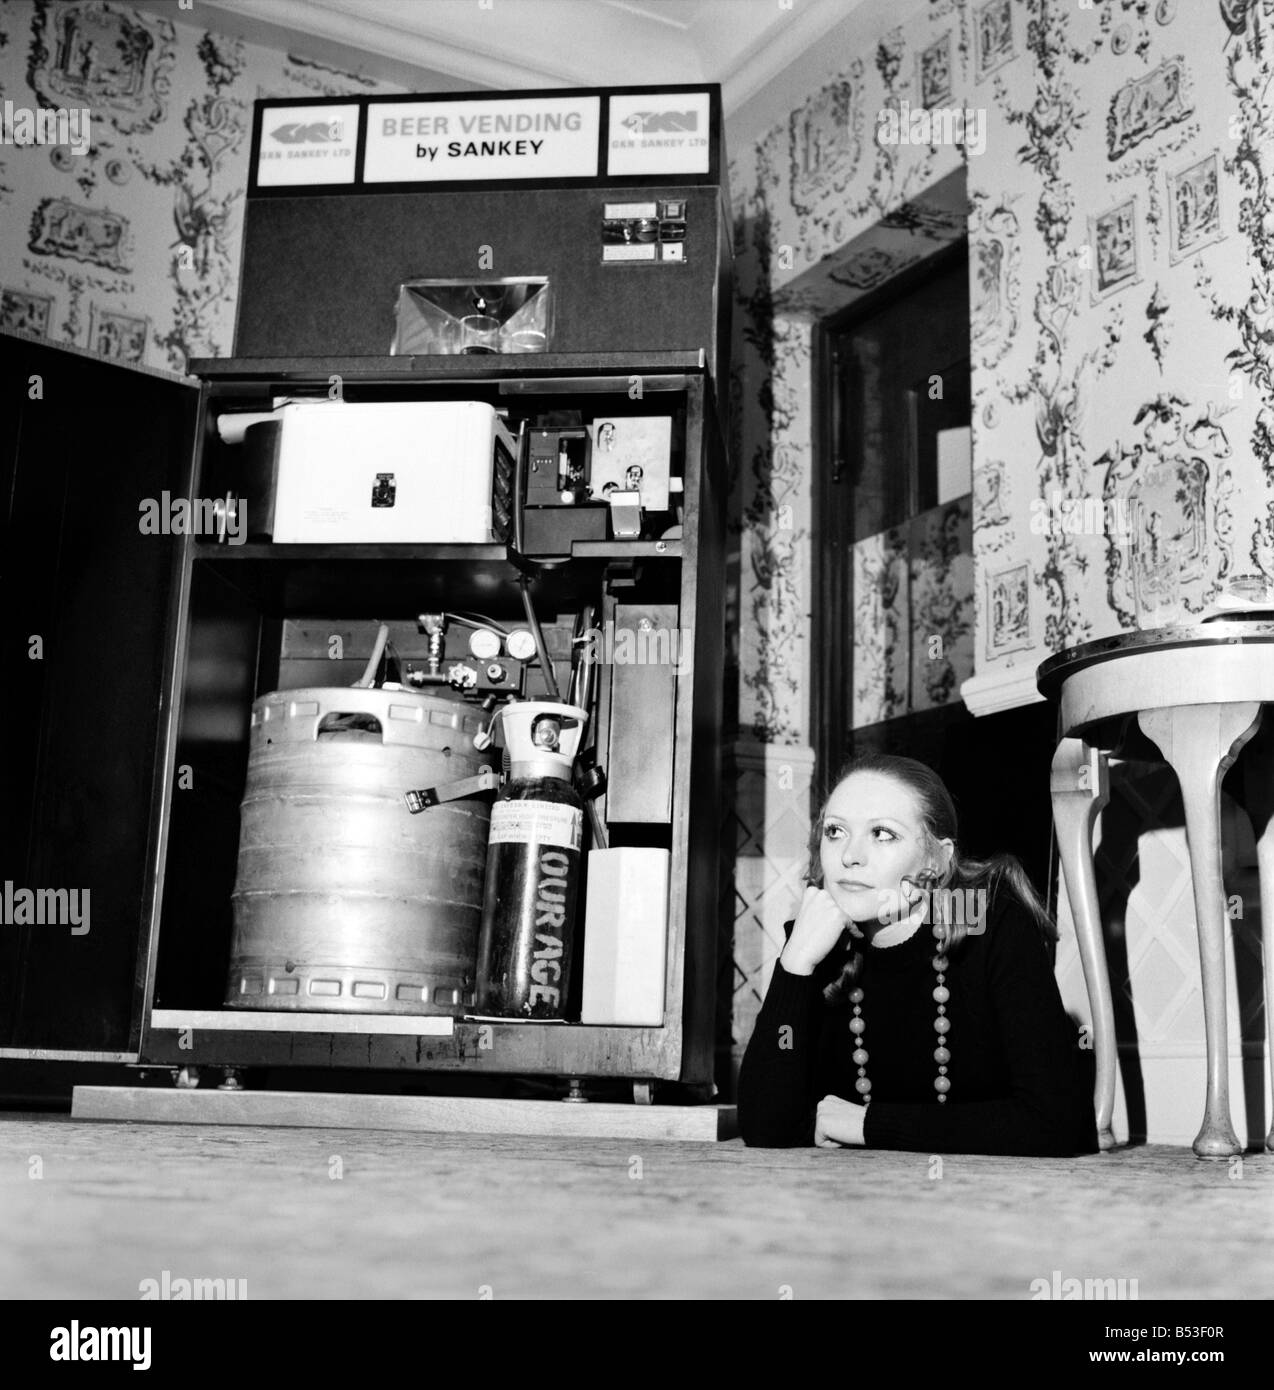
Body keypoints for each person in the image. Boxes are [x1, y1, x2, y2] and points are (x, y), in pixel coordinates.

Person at [738, 754, 1098, 1156]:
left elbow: (1057, 1124)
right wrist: (795, 965)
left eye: (882, 834)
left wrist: (870, 1124)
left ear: (937, 859)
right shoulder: (818, 935)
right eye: (836, 831)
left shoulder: (987, 918)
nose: (849, 856)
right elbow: (765, 1126)